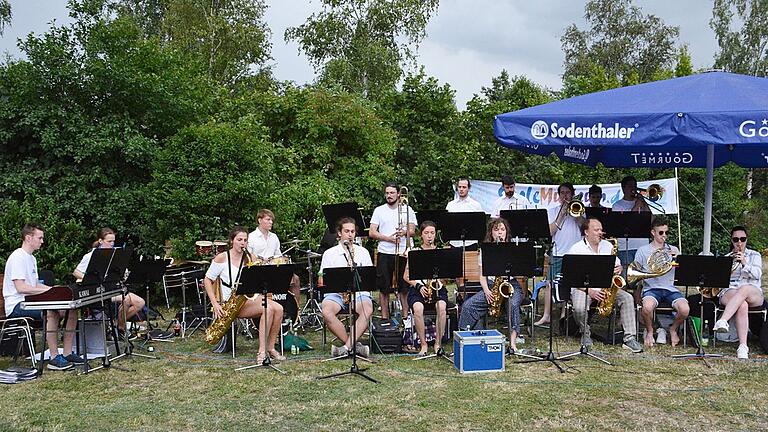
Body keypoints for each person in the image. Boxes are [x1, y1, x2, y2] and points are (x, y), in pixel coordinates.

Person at [3, 223, 83, 370]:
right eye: (39, 238)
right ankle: (54, 358)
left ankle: (67, 353)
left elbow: (35, 285)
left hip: (29, 302)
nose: (42, 241)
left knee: (71, 309)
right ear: (28, 238)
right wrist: (49, 293)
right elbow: (20, 287)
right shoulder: (17, 257)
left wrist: (55, 290)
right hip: (17, 305)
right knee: (51, 311)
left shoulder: (31, 258)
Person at [204, 226, 285, 363]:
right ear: (232, 241)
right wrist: (215, 303)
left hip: (249, 298)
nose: (243, 243)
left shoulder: (250, 257)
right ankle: (262, 352)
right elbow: (207, 279)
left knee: (279, 308)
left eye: (245, 240)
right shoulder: (222, 258)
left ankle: (271, 347)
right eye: (239, 240)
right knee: (268, 309)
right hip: (232, 302)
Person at [566, 217, 643, 353]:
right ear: (586, 232)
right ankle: (585, 333)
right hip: (583, 288)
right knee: (578, 307)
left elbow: (617, 266)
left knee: (628, 299)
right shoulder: (576, 249)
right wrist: (590, 291)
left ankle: (630, 338)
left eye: (601, 229)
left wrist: (618, 269)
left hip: (605, 286)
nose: (600, 232)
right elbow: (572, 278)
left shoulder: (608, 246)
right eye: (596, 230)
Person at [457, 218, 525, 352]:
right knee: (468, 306)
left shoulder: (513, 248)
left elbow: (520, 271)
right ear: (491, 233)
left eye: (502, 230)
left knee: (513, 304)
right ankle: (465, 337)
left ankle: (512, 342)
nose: (499, 233)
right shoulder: (485, 250)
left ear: (506, 232)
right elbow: (482, 276)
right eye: (496, 230)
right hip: (491, 285)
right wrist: (487, 291)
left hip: (510, 284)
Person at [73, 227, 146, 338]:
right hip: (98, 292)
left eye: (113, 241)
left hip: (111, 289)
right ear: (101, 241)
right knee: (126, 300)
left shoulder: (114, 255)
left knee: (140, 302)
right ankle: (120, 330)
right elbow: (76, 272)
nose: (112, 244)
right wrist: (90, 279)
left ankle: (117, 324)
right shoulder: (91, 256)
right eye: (109, 241)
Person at [320, 217, 374, 358]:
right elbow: (323, 279)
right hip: (336, 294)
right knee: (326, 311)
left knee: (367, 309)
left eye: (352, 231)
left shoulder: (363, 252)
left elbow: (368, 278)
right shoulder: (329, 254)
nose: (350, 234)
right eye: (346, 231)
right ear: (339, 233)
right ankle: (354, 347)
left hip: (358, 293)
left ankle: (345, 348)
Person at [534, 183, 584, 326]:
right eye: (562, 193)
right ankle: (547, 315)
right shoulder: (553, 211)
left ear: (573, 194)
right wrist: (561, 214)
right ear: (558, 195)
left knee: (569, 284)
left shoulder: (580, 210)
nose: (565, 196)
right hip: (557, 252)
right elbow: (549, 232)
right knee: (550, 284)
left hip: (575, 253)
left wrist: (576, 215)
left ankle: (564, 315)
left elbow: (584, 228)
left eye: (568, 193)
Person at [712, 226, 765, 359]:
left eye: (742, 239)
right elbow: (720, 281)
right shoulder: (727, 257)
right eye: (736, 239)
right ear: (732, 240)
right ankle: (743, 347)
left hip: (752, 290)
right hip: (731, 290)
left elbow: (757, 275)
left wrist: (744, 263)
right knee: (742, 304)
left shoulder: (754, 255)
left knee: (744, 289)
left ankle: (723, 320)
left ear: (746, 240)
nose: (739, 243)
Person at [634, 219, 688, 347]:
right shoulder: (643, 250)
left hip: (670, 288)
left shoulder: (673, 249)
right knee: (647, 307)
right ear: (653, 232)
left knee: (685, 309)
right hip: (651, 288)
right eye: (661, 232)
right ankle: (650, 331)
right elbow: (635, 271)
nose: (664, 235)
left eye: (666, 232)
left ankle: (673, 329)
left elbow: (683, 273)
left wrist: (678, 259)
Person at [369, 182, 416, 322]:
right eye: (387, 193)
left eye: (392, 193)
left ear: (398, 194)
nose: (389, 196)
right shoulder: (379, 210)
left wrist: (404, 232)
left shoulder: (408, 209)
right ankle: (384, 317)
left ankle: (406, 316)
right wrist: (388, 239)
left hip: (404, 251)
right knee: (384, 287)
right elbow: (372, 232)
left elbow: (413, 231)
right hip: (385, 252)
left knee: (404, 287)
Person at [403, 221, 448, 356]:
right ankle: (423, 344)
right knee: (418, 308)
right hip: (418, 288)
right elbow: (406, 276)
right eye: (426, 233)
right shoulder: (415, 252)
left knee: (441, 307)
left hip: (437, 288)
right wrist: (419, 285)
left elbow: (446, 279)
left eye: (432, 233)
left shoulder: (440, 252)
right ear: (421, 235)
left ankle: (438, 343)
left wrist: (440, 281)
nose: (429, 236)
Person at [247, 209, 301, 301]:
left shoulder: (274, 237)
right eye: (268, 219)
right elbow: (248, 257)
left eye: (272, 220)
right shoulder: (251, 237)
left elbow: (278, 256)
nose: (271, 222)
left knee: (295, 279)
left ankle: (296, 311)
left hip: (274, 269)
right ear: (260, 220)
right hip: (259, 270)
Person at [611, 176, 651, 267]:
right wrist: (637, 205)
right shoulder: (617, 206)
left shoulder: (641, 202)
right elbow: (628, 221)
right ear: (623, 188)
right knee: (627, 277)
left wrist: (644, 203)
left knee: (644, 277)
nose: (633, 189)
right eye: (630, 186)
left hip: (643, 246)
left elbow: (651, 219)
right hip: (626, 248)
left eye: (635, 186)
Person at [445, 178, 484, 249]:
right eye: (459, 187)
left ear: (468, 188)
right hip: (454, 243)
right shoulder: (450, 205)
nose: (461, 189)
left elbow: (480, 225)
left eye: (464, 187)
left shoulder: (476, 205)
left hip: (471, 243)